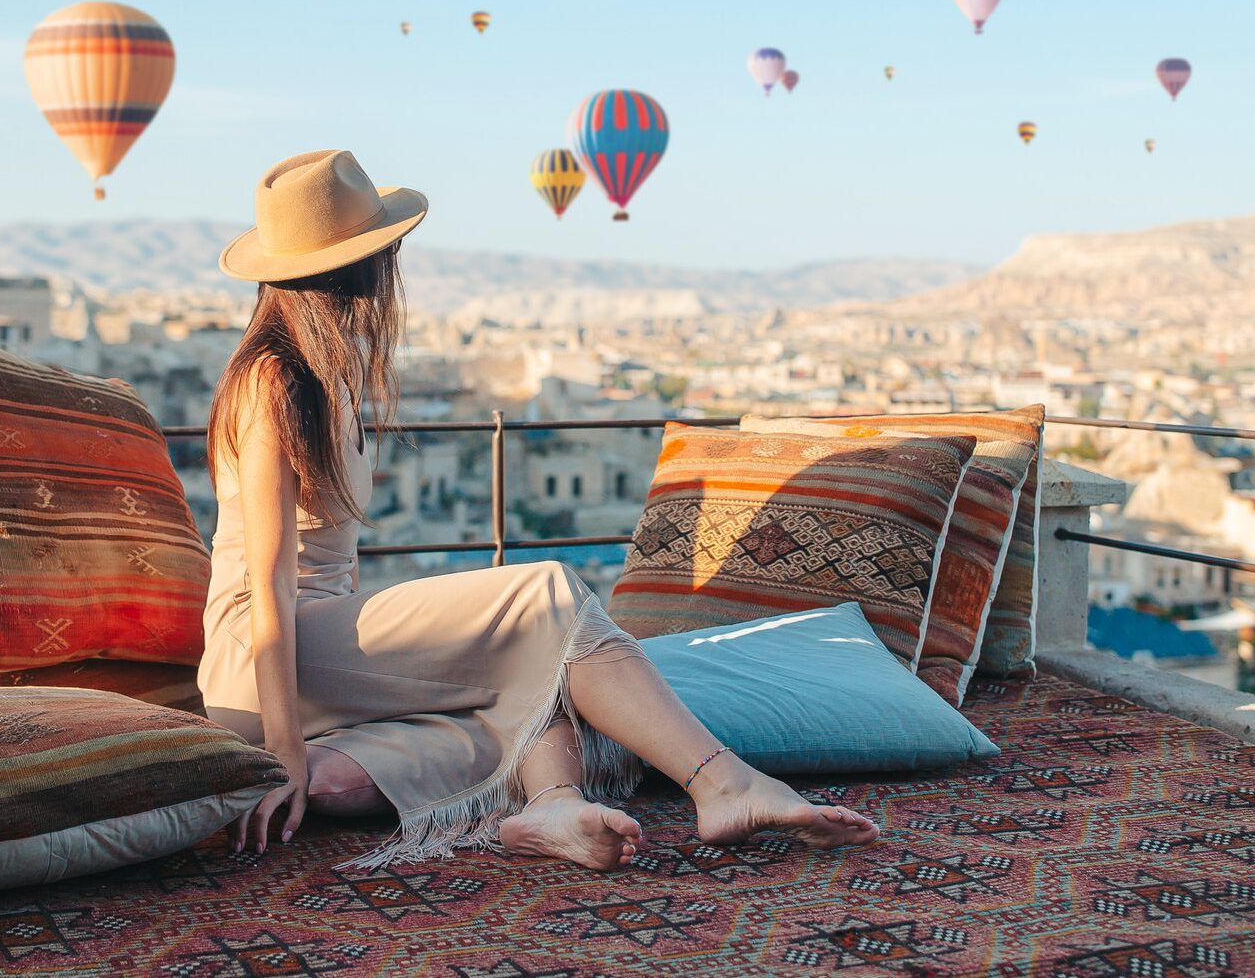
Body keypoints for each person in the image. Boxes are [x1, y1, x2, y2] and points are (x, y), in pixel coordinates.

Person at [199, 150, 879, 870]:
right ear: (349, 263)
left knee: (507, 690)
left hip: (325, 654)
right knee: (547, 595)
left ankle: (550, 806)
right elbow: (267, 588)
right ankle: (723, 781)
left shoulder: (324, 373)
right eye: (384, 244)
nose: (395, 257)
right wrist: (283, 754)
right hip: (266, 658)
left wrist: (308, 767)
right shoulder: (272, 380)